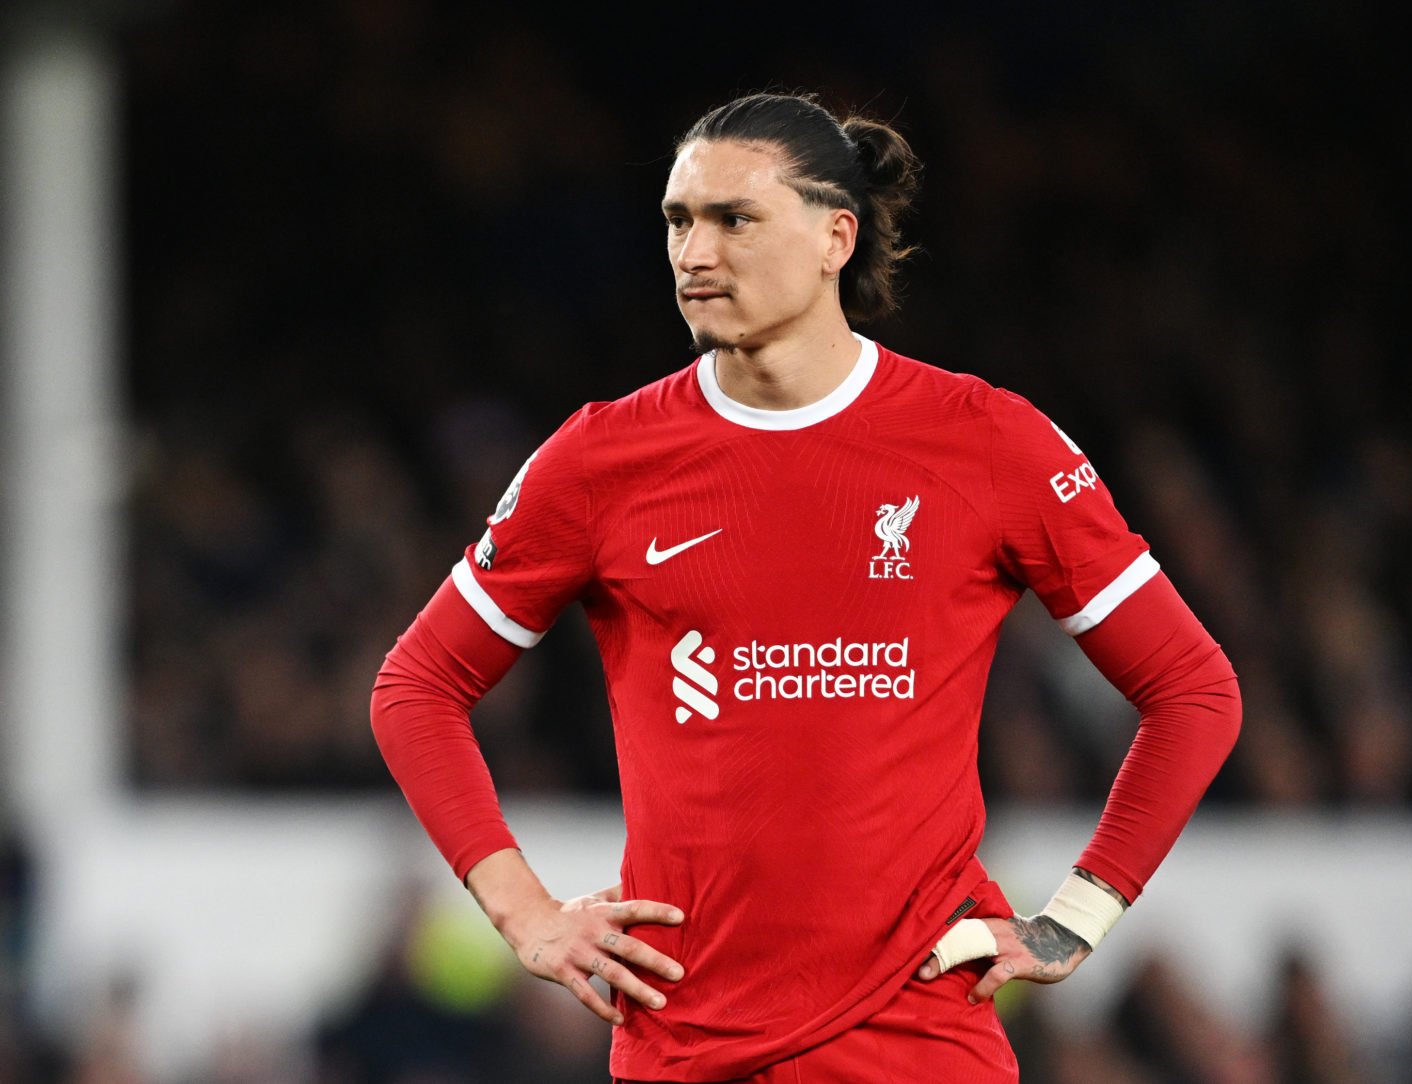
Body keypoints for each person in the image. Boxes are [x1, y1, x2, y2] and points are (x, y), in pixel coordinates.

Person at [371, 91, 1242, 1084]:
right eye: (678, 222)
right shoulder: (601, 460)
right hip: (688, 1046)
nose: (695, 254)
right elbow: (414, 688)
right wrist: (523, 913)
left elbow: (1194, 690)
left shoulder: (988, 442)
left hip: (923, 1048)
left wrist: (1076, 917)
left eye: (734, 219)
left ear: (838, 236)